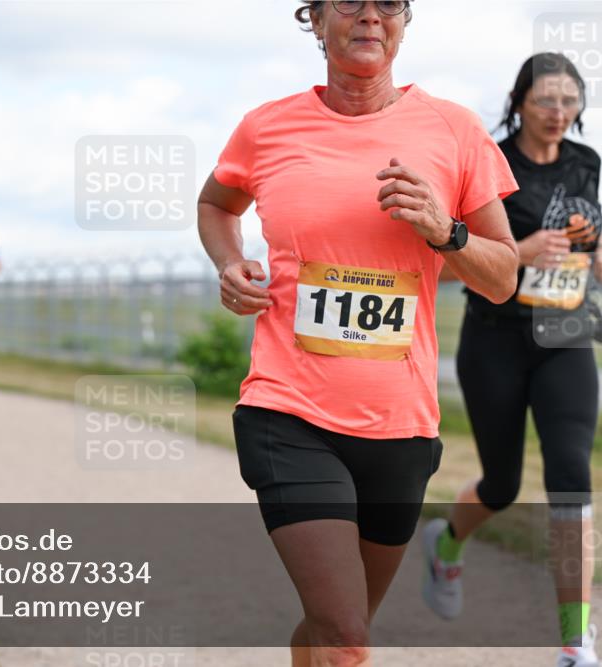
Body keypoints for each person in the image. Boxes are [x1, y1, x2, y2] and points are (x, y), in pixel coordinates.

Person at [199, 2, 520, 664]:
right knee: (346, 634)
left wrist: (445, 229)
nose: (370, 16)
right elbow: (215, 202)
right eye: (350, 1)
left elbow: (503, 276)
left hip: (400, 427)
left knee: (333, 631)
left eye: (389, 3)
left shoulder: (454, 131)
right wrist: (230, 263)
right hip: (288, 411)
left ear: (405, 21)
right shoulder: (267, 127)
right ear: (314, 19)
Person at [422, 53, 601, 666]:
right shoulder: (486, 163)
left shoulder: (587, 164)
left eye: (570, 101)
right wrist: (520, 251)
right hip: (495, 339)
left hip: (567, 337)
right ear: (520, 100)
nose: (559, 113)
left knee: (571, 478)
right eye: (546, 100)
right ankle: (445, 545)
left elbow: (592, 249)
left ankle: (576, 641)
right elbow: (443, 266)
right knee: (501, 484)